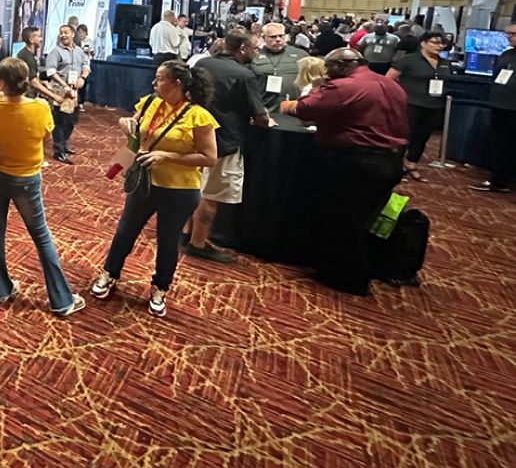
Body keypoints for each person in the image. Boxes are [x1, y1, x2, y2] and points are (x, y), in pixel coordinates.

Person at [90, 61, 218, 318]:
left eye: (159, 78)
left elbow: (209, 157)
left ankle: (160, 287)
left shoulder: (198, 116)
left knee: (167, 240)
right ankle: (109, 273)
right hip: (145, 183)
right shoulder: (149, 103)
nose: (153, 83)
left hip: (179, 190)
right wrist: (126, 130)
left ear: (177, 84)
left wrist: (167, 156)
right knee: (125, 232)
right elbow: (137, 139)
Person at [281, 48, 408, 293]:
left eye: (329, 67)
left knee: (343, 219)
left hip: (356, 161)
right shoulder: (390, 84)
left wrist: (308, 92)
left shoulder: (342, 87)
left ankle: (348, 277)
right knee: (367, 217)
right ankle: (368, 265)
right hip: (391, 160)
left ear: (340, 65)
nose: (327, 72)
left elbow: (305, 109)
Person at [0, 57, 85, 316]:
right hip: (26, 178)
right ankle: (61, 299)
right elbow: (46, 136)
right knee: (40, 235)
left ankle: (1, 288)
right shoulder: (40, 107)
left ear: (1, 82)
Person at [187, 30, 269, 264]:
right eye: (255, 47)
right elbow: (261, 117)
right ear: (242, 48)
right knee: (211, 196)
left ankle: (186, 233)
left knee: (196, 187)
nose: (257, 51)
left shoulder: (203, 63)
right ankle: (198, 243)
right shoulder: (244, 75)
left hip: (195, 134)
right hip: (226, 140)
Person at [387, 30, 452, 182]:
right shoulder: (409, 60)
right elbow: (389, 79)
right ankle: (396, 167)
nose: (440, 46)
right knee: (404, 136)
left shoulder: (445, 63)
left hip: (434, 104)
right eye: (435, 42)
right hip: (411, 104)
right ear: (423, 43)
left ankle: (412, 164)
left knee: (422, 137)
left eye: (442, 43)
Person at [469, 23, 516, 193]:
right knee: (500, 144)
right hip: (500, 105)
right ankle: (500, 179)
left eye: (513, 33)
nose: (509, 37)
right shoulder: (506, 54)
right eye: (507, 34)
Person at [43, 24, 88, 164]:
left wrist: (82, 78)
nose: (63, 35)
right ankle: (59, 150)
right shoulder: (55, 51)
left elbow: (86, 66)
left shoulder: (80, 51)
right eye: (61, 33)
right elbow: (50, 71)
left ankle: (64, 143)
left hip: (74, 92)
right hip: (60, 91)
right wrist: (64, 85)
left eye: (66, 32)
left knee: (72, 120)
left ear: (72, 34)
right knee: (60, 121)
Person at [251, 22, 308, 112]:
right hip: (266, 108)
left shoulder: (300, 55)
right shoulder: (254, 56)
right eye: (273, 37)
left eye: (281, 36)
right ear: (263, 38)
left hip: (294, 108)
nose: (278, 39)